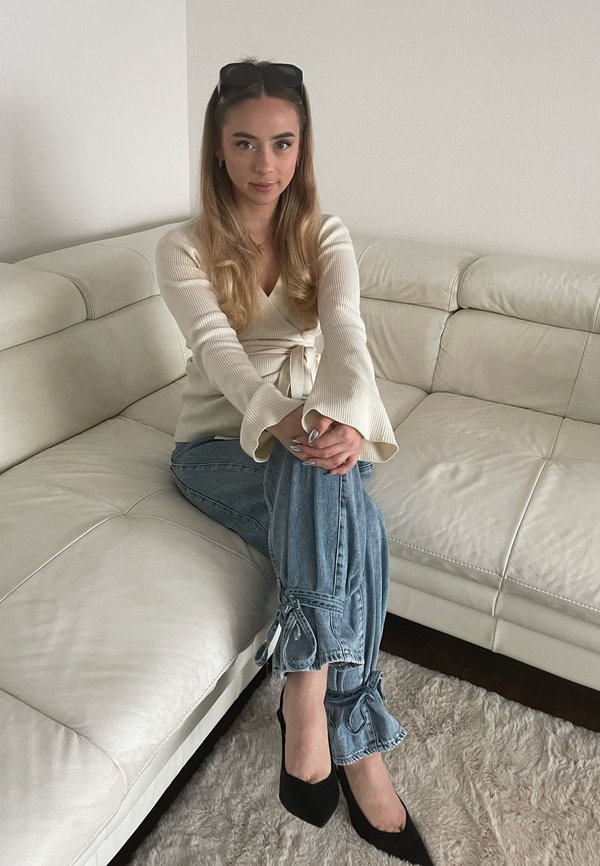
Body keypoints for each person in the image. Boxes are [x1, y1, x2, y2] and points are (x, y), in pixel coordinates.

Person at [155, 58, 434, 865]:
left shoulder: (325, 234)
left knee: (333, 485)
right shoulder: (182, 248)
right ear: (217, 147)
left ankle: (307, 692)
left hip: (310, 435)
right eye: (244, 142)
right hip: (215, 450)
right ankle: (356, 741)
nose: (264, 164)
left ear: (302, 147)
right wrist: (289, 421)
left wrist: (342, 418)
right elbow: (219, 355)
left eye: (282, 143)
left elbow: (346, 331)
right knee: (353, 516)